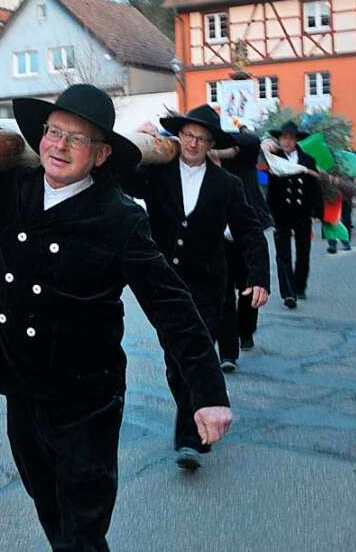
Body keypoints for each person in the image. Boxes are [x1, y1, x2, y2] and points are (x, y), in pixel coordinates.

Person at [0, 85, 232, 551]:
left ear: (101, 154)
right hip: (19, 382)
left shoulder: (118, 218)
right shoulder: (9, 188)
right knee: (50, 509)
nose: (59, 147)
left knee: (82, 524)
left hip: (86, 396)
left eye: (76, 139)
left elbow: (172, 307)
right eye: (53, 133)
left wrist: (207, 393)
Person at [122, 105, 267, 470]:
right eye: (188, 135)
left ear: (211, 145)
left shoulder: (227, 185)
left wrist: (258, 278)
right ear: (179, 136)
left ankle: (189, 437)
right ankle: (203, 402)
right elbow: (119, 175)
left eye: (201, 138)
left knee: (196, 348)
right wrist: (135, 141)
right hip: (163, 281)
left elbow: (250, 232)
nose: (193, 142)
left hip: (206, 282)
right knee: (175, 360)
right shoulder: (156, 173)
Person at [219, 126, 273, 352]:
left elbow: (251, 141)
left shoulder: (240, 157)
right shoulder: (199, 166)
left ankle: (247, 331)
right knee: (222, 293)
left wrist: (221, 145)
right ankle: (227, 349)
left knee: (247, 287)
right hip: (217, 236)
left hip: (244, 233)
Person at [263, 121, 322, 309]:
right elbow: (267, 186)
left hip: (302, 212)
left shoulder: (308, 160)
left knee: (303, 251)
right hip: (281, 212)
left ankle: (299, 286)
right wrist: (268, 211)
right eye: (283, 138)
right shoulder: (273, 160)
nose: (287, 141)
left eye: (290, 138)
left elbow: (315, 187)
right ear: (279, 140)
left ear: (296, 140)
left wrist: (317, 211)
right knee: (283, 254)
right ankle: (288, 293)